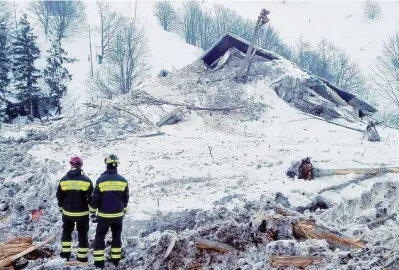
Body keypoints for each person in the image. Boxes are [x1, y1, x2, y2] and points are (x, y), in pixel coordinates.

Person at [90, 154, 129, 268]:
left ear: (107, 164)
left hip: (104, 216)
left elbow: (95, 198)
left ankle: (99, 262)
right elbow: (125, 198)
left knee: (100, 237)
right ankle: (116, 261)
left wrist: (92, 212)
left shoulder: (101, 180)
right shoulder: (123, 180)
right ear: (117, 165)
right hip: (118, 216)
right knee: (117, 236)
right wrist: (123, 211)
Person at [56, 156, 93, 262]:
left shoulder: (64, 180)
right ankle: (81, 257)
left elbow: (59, 195)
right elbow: (91, 197)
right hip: (82, 214)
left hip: (67, 213)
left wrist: (61, 207)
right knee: (82, 234)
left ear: (71, 165)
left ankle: (65, 255)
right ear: (81, 166)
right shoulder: (86, 180)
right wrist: (92, 208)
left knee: (66, 233)